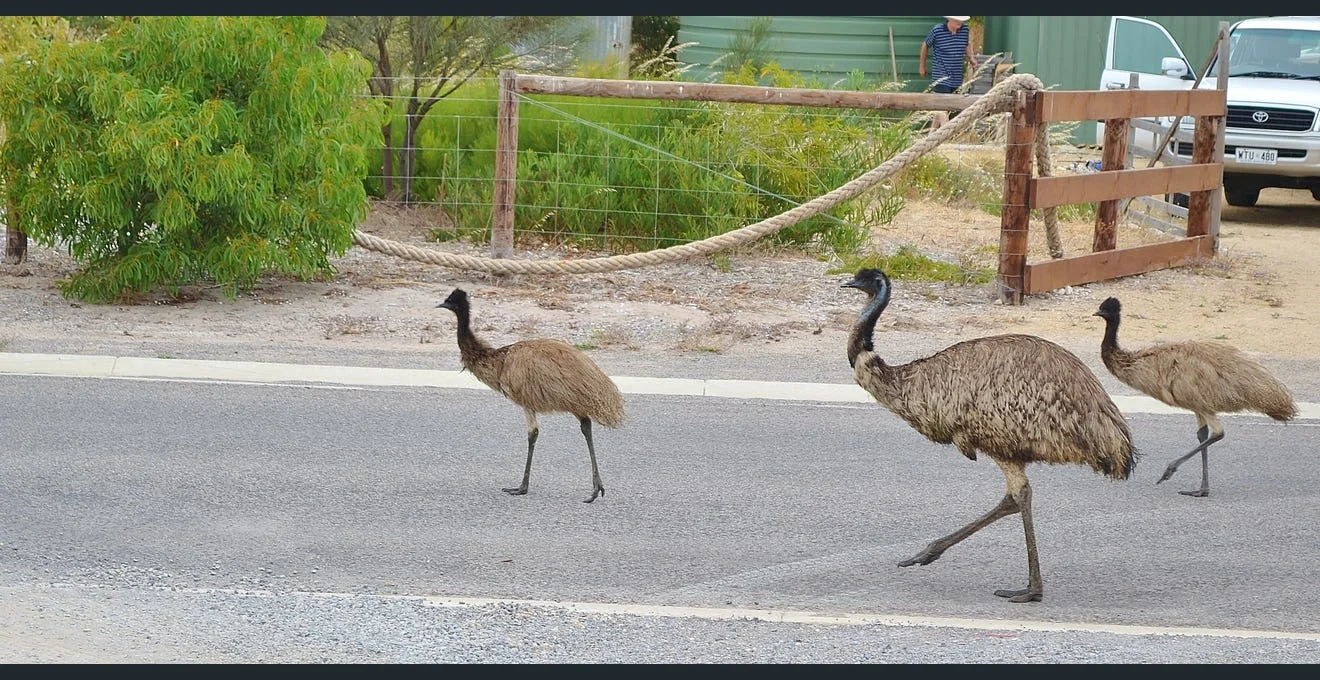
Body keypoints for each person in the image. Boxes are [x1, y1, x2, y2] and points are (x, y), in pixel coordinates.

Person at [919, 16, 978, 129]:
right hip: (940, 75)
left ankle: (934, 133)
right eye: (957, 20)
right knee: (943, 105)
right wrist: (922, 66)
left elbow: (966, 45)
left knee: (951, 107)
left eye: (961, 20)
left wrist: (971, 57)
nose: (959, 23)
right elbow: (925, 45)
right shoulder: (937, 30)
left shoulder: (965, 30)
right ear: (949, 20)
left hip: (956, 75)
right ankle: (946, 134)